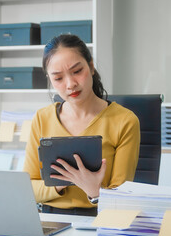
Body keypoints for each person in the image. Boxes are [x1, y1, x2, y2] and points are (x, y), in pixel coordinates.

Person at [23, 34, 141, 216]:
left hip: (101, 219)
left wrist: (94, 191)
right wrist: (60, 182)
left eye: (77, 71)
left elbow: (121, 198)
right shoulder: (42, 118)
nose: (70, 84)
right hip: (51, 219)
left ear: (91, 67)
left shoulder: (124, 120)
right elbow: (27, 188)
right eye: (58, 78)